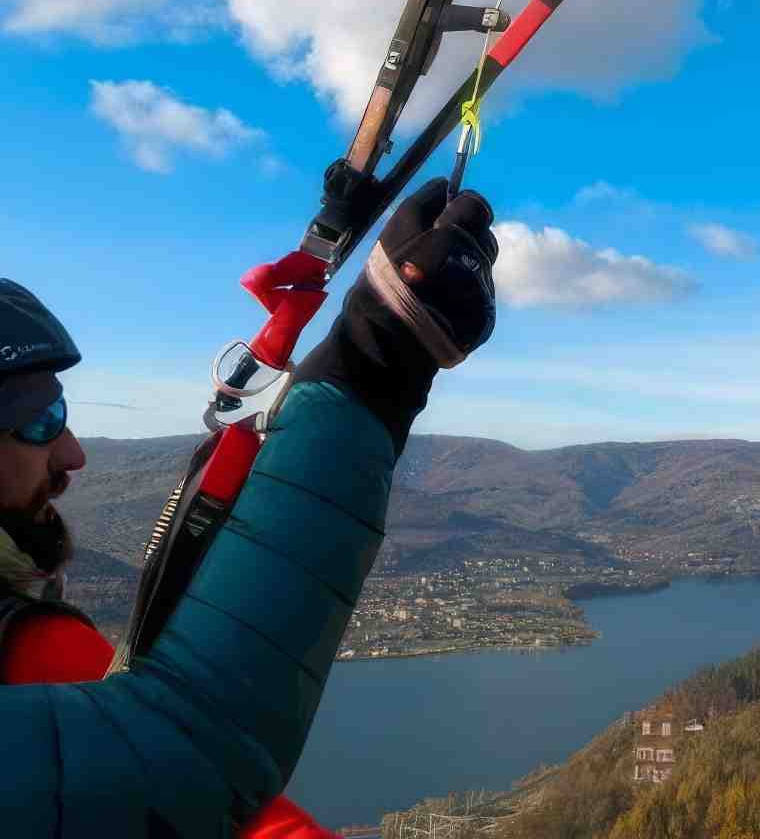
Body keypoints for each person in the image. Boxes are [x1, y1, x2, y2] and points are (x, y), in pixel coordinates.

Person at [0, 179, 499, 838]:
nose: (73, 454)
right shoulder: (35, 654)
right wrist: (382, 354)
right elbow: (179, 753)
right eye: (38, 421)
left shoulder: (31, 649)